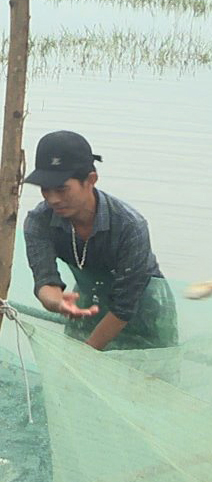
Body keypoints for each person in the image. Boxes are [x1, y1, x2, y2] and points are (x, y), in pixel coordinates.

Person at [23, 130, 176, 350]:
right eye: (45, 189)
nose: (53, 199)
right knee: (73, 366)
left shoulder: (130, 226)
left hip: (143, 307)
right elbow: (45, 280)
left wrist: (88, 351)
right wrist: (56, 302)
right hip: (87, 303)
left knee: (142, 370)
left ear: (90, 180)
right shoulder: (39, 221)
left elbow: (124, 306)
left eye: (62, 189)